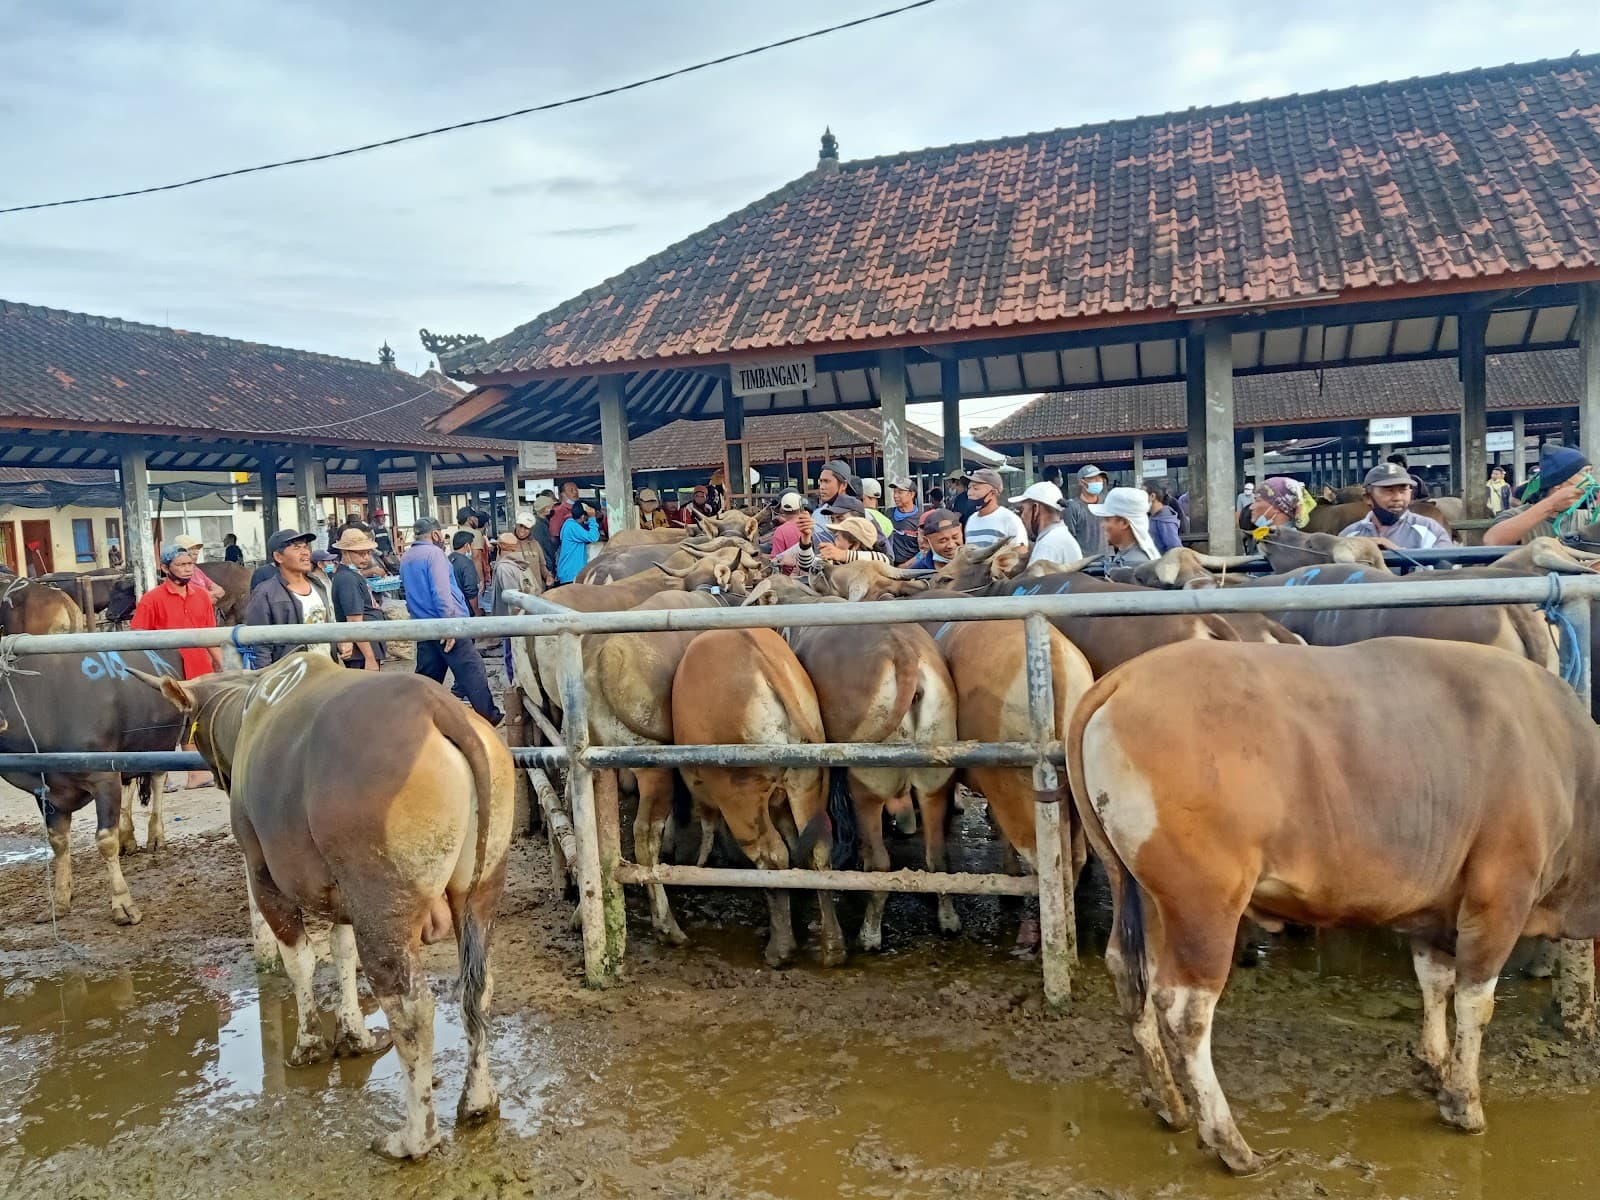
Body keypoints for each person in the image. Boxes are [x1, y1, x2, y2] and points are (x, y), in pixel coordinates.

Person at [132, 544, 222, 789]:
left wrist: (220, 662)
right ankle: (160, 775)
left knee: (195, 717)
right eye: (181, 565)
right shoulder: (151, 600)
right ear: (164, 568)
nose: (187, 569)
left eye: (190, 564)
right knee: (164, 721)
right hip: (165, 670)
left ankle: (196, 772)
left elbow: (209, 632)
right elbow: (136, 640)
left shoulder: (202, 595)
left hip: (197, 666)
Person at [398, 518, 502, 725]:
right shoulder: (434, 554)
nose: (443, 540)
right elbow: (441, 592)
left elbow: (406, 592)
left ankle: (416, 719)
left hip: (423, 626)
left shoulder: (407, 557)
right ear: (435, 534)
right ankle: (489, 716)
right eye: (441, 535)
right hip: (445, 624)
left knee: (427, 678)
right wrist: (449, 625)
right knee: (472, 670)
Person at [242, 528, 336, 668]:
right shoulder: (265, 593)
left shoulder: (318, 585)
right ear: (278, 557)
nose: (305, 552)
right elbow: (260, 644)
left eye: (305, 546)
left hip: (327, 669)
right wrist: (267, 679)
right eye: (296, 548)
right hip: (292, 675)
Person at [1484, 445, 1597, 547]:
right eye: (1584, 473)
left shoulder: (1588, 518)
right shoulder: (1515, 516)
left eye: (1590, 473)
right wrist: (1551, 504)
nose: (1591, 480)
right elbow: (1492, 541)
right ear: (1558, 483)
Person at [1338, 463, 1452, 548]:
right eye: (1388, 491)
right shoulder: (1349, 535)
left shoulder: (1430, 531)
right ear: (1368, 498)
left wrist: (1398, 554)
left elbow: (1447, 575)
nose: (1397, 498)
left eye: (1403, 490)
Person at [329, 527, 385, 671]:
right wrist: (369, 657)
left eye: (367, 552)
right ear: (345, 552)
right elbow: (354, 621)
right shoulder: (347, 578)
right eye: (360, 553)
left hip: (366, 644)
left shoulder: (352, 574)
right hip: (361, 651)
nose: (366, 557)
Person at [491, 530, 538, 682]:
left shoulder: (504, 568)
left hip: (512, 620)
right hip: (529, 616)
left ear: (499, 548)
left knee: (511, 655)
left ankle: (515, 685)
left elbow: (512, 597)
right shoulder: (522, 565)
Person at [1012, 482, 1083, 567]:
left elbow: (1037, 579)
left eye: (1022, 509)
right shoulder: (1056, 537)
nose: (1022, 516)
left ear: (1036, 508)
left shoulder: (1049, 544)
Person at [1089, 486, 1160, 570]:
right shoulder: (1126, 555)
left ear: (1124, 523)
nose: (1102, 525)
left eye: (1107, 519)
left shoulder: (1133, 565)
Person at [961, 468, 1029, 551]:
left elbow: (1021, 554)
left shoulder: (1009, 519)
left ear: (993, 493)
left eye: (975, 488)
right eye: (969, 488)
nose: (969, 493)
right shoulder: (971, 520)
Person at [797, 513, 887, 573]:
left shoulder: (876, 564)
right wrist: (806, 538)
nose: (834, 542)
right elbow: (807, 565)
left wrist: (842, 554)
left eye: (837, 538)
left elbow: (883, 559)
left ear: (855, 545)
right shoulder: (833, 561)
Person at [1246, 476, 1316, 539]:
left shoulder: (1289, 545)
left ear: (1277, 506)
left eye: (1258, 501)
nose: (1251, 507)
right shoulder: (1269, 539)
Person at [1065, 465, 1109, 557]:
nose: (1098, 482)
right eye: (1094, 479)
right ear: (1082, 482)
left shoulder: (1106, 503)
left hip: (1106, 561)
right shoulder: (1073, 507)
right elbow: (1069, 538)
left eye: (1100, 479)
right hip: (1084, 563)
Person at [558, 498, 601, 583]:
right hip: (571, 574)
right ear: (583, 517)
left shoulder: (570, 524)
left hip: (571, 573)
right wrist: (592, 519)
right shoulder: (572, 526)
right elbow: (593, 537)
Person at [173, 535, 226, 604]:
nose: (196, 552)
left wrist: (206, 597)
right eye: (191, 549)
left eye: (196, 549)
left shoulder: (196, 570)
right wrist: (209, 597)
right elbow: (189, 600)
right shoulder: (177, 573)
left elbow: (221, 591)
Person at [768, 490, 807, 573]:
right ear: (801, 507)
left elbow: (775, 561)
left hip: (788, 579)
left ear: (782, 510)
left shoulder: (780, 531)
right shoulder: (809, 526)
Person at [512, 509, 553, 587]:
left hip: (536, 590)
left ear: (531, 530)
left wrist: (548, 576)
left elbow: (542, 565)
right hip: (517, 592)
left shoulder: (535, 544)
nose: (522, 530)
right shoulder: (508, 543)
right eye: (521, 526)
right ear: (516, 525)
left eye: (526, 528)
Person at [886, 477, 922, 564]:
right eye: (894, 492)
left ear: (912, 494)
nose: (895, 495)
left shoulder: (920, 518)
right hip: (890, 565)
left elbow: (925, 550)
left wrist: (906, 565)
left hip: (912, 568)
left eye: (900, 492)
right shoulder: (889, 513)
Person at [1143, 481, 1183, 554]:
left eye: (1142, 495)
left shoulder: (1165, 518)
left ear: (1152, 496)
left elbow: (1175, 547)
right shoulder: (1152, 517)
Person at [449, 530, 482, 613]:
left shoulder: (447, 559)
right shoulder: (466, 563)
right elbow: (470, 591)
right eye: (472, 545)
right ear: (467, 545)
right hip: (465, 608)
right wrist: (477, 611)